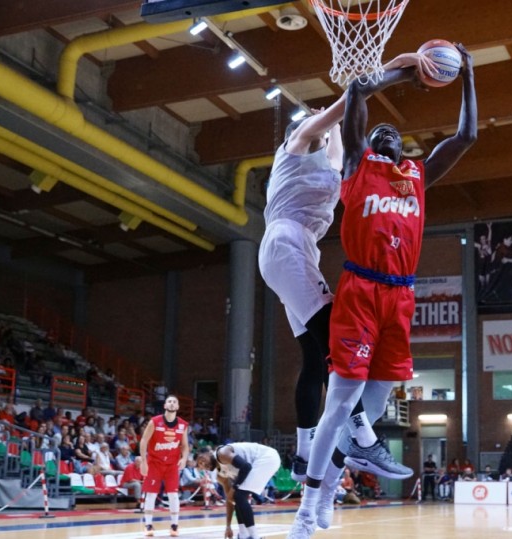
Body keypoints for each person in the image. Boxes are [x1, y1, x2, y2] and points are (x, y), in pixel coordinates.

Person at [287, 43, 476, 539]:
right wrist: (402, 69)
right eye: (377, 131)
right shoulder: (355, 165)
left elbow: (466, 135)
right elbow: (356, 91)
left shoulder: (417, 176)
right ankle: (307, 509)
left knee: (369, 412)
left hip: (402, 298)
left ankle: (330, 486)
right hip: (360, 290)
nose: (387, 131)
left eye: (395, 132)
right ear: (367, 145)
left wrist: (469, 76)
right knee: (339, 405)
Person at [257, 55, 424, 485]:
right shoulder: (294, 146)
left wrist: (338, 128)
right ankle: (363, 439)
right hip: (285, 241)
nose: (319, 121)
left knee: (315, 357)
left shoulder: (332, 167)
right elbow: (345, 105)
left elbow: (341, 146)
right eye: (315, 119)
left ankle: (303, 452)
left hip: (298, 253)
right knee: (338, 338)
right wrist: (395, 68)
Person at [196, 442, 280, 539]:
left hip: (267, 457)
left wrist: (234, 488)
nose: (203, 465)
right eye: (200, 465)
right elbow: (230, 499)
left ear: (210, 453)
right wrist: (228, 526)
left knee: (238, 495)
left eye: (202, 460)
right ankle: (243, 535)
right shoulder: (220, 475)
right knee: (236, 497)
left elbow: (246, 467)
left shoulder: (222, 453)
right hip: (258, 462)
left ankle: (255, 536)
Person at [139, 395, 190, 537]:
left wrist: (184, 458)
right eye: (169, 401)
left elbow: (185, 446)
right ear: (165, 405)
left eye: (175, 402)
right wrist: (143, 461)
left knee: (174, 495)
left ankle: (174, 525)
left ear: (178, 407)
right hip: (155, 463)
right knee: (151, 494)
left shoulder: (183, 425)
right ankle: (148, 524)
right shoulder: (155, 422)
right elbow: (143, 441)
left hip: (172, 464)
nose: (172, 404)